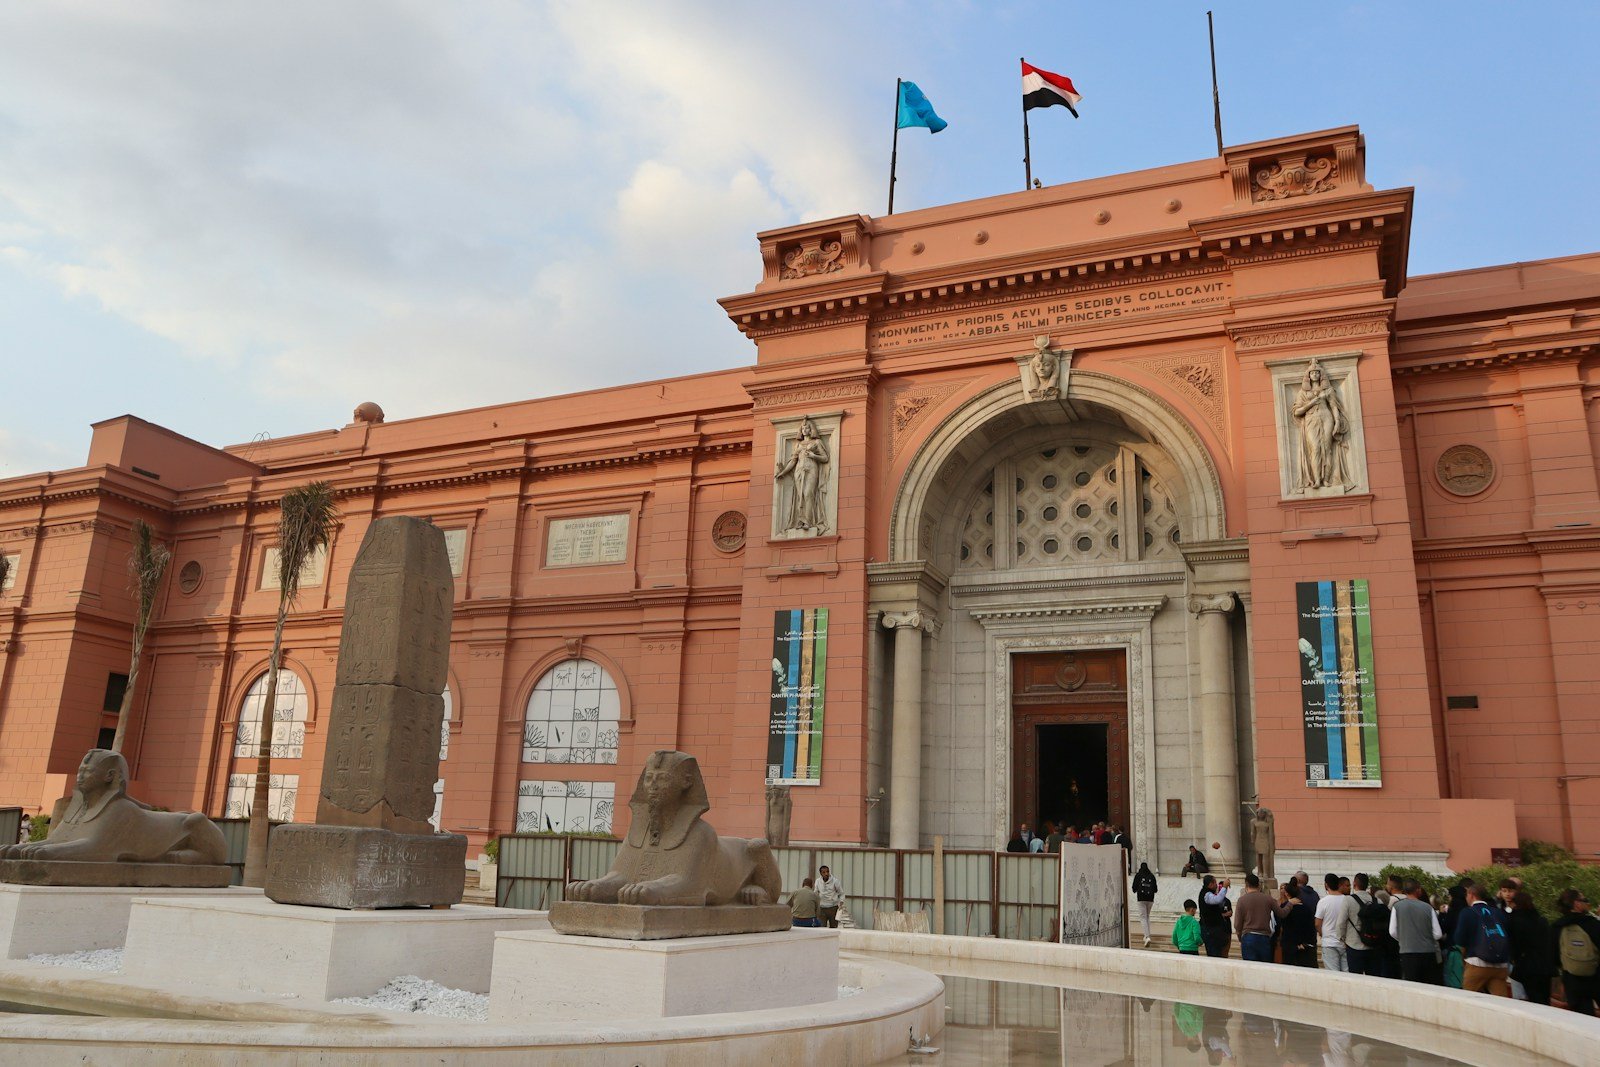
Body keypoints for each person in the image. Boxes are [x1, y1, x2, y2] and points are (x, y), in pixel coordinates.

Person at [1453, 882, 1512, 997]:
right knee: (1501, 1003)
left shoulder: (1467, 912)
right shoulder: (1498, 912)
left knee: (1468, 1000)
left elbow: (1459, 939)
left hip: (1477, 964)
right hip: (1500, 966)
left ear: (1471, 894)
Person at [774, 416, 830, 534]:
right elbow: (793, 461)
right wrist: (783, 472)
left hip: (811, 469)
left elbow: (825, 458)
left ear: (811, 430)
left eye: (807, 428)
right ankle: (800, 520)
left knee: (808, 494)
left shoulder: (817, 442)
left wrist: (814, 456)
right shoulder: (798, 445)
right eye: (803, 428)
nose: (805, 430)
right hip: (799, 471)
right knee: (800, 496)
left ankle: (808, 521)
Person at [1552, 888, 1600, 1016]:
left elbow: (1554, 956)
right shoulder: (1592, 924)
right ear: (1576, 904)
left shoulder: (1557, 926)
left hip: (1572, 980)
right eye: (1584, 900)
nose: (1587, 903)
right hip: (1596, 976)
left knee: (1583, 1019)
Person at [1389, 879, 1443, 984]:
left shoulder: (1397, 907)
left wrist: (1404, 939)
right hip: (1428, 953)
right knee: (1428, 985)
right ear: (1418, 890)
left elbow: (1392, 931)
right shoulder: (1428, 907)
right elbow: (1438, 934)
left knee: (1412, 985)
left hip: (1407, 953)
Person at [1233, 873, 1294, 963]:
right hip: (1264, 938)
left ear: (1246, 885)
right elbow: (1282, 913)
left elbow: (1237, 924)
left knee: (1250, 968)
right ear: (1258, 885)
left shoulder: (1242, 900)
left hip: (1248, 937)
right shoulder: (1268, 899)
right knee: (1264, 968)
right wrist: (1290, 903)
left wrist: (1240, 938)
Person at [1506, 890, 1554, 1005]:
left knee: (1530, 1000)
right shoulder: (1541, 920)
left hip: (1527, 966)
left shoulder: (1515, 921)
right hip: (1545, 967)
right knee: (1544, 1000)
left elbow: (1514, 945)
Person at [1315, 873, 1353, 972]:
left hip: (1329, 943)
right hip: (1345, 942)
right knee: (1346, 973)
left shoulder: (1323, 902)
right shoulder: (1347, 900)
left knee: (1333, 973)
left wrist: (1322, 933)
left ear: (1326, 885)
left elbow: (1317, 923)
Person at [1277, 880, 1317, 968]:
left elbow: (1279, 925)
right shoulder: (1307, 908)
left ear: (1286, 894)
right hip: (1303, 946)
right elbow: (1311, 928)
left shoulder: (1283, 907)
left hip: (1288, 946)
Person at [1339, 875, 1372, 975]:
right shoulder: (1376, 900)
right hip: (1372, 945)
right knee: (1373, 978)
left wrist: (1342, 939)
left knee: (1355, 977)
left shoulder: (1348, 900)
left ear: (1354, 884)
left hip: (1353, 944)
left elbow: (1341, 922)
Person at [1198, 874, 1232, 958]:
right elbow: (1217, 900)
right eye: (1215, 883)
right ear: (1210, 884)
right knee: (1214, 955)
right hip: (1210, 930)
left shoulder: (1208, 893)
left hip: (1214, 931)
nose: (1216, 885)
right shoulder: (1206, 894)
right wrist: (1224, 887)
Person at [1132, 862, 1158, 947]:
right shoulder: (1151, 876)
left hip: (1141, 899)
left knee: (1143, 917)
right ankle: (1146, 935)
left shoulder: (1138, 875)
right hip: (1150, 899)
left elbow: (1134, 888)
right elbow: (1155, 889)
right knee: (1147, 916)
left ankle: (1147, 937)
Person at [816, 865, 845, 929]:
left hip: (833, 908)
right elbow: (815, 893)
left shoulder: (835, 881)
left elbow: (841, 893)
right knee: (821, 928)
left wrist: (841, 901)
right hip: (822, 908)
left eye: (827, 872)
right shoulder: (818, 881)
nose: (826, 874)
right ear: (820, 873)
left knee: (833, 927)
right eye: (824, 872)